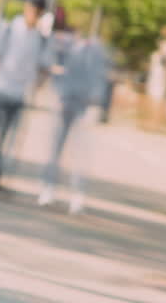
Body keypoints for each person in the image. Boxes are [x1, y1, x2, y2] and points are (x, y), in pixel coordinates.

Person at [38, 27, 112, 214]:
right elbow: (54, 67)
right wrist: (58, 93)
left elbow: (99, 77)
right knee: (56, 148)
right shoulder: (65, 45)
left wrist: (96, 103)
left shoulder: (96, 50)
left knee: (80, 152)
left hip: (83, 105)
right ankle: (48, 188)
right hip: (65, 101)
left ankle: (77, 195)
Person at [0, 0, 53, 195]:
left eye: (37, 12)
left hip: (21, 94)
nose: (33, 14)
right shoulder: (9, 29)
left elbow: (45, 67)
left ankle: (0, 175)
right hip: (2, 88)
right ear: (26, 8)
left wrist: (38, 82)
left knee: (13, 139)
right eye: (31, 9)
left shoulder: (41, 39)